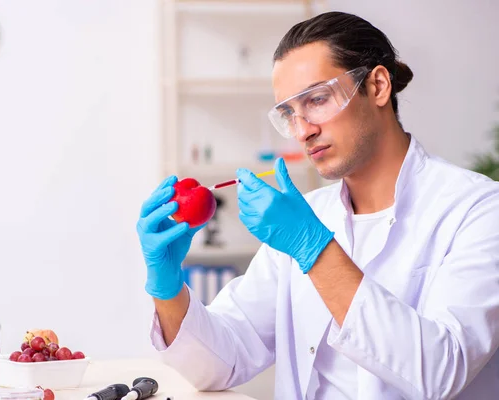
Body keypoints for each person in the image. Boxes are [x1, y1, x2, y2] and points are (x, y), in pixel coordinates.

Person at [135, 11, 499, 400]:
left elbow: (441, 371)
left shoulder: (477, 210)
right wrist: (169, 287)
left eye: (318, 100)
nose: (303, 130)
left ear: (377, 86)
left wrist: (314, 248)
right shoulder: (307, 216)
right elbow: (224, 361)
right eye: (289, 113)